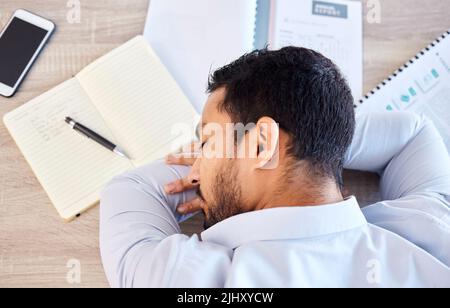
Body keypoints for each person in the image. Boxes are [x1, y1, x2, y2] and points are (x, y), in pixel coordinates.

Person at [99, 47, 450, 287]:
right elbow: (413, 133)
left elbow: (131, 189)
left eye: (205, 142)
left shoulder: (182, 280)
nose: (195, 169)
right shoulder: (429, 233)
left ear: (262, 144)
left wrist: (299, 139)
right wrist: (317, 139)